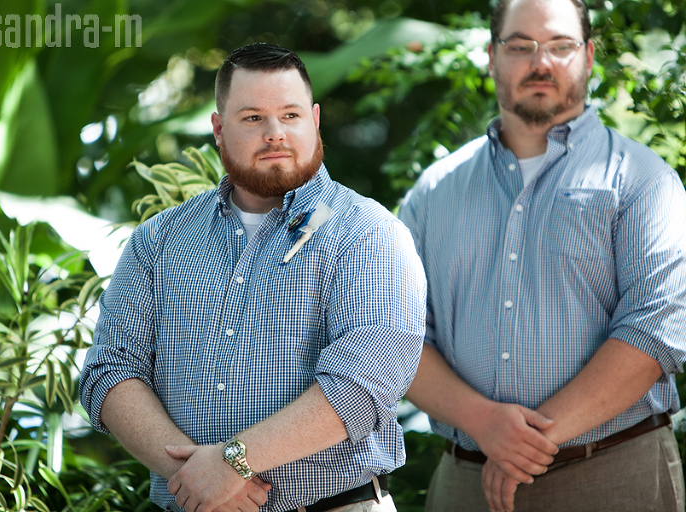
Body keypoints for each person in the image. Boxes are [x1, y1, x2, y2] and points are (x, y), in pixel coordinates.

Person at [79, 43, 426, 512]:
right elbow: (110, 370)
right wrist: (196, 478)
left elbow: (365, 386)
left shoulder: (369, 234)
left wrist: (231, 464)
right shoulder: (159, 241)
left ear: (315, 120)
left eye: (290, 115)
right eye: (252, 118)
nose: (275, 134)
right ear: (219, 129)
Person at [398, 0, 686, 511]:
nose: (541, 62)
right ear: (491, 55)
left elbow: (655, 331)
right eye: (520, 46)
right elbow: (393, 335)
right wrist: (486, 424)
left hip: (613, 474)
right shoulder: (434, 192)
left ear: (589, 56)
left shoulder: (643, 180)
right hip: (468, 483)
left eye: (559, 45)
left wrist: (522, 444)